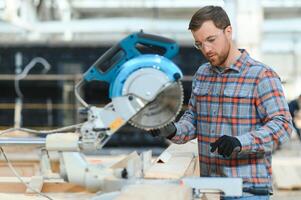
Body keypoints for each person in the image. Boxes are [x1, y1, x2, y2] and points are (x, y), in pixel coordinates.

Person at [150, 6, 293, 200]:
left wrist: (240, 143)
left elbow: (283, 126)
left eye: (211, 40)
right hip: (210, 189)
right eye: (199, 44)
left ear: (228, 31)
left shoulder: (261, 75)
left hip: (247, 191)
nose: (206, 49)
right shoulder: (203, 74)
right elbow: (193, 119)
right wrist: (172, 130)